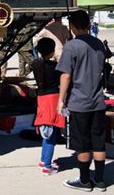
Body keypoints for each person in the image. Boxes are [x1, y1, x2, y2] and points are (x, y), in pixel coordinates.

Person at [57, 10, 107, 192]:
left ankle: (85, 181)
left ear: (72, 26)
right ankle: (100, 181)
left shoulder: (71, 46)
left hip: (79, 103)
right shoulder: (98, 43)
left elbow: (65, 75)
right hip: (98, 101)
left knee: (82, 144)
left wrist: (60, 100)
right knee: (99, 142)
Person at [33, 37, 65, 176]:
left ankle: (43, 160)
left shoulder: (36, 64)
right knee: (50, 136)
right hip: (52, 100)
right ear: (52, 51)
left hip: (41, 99)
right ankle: (46, 166)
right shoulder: (54, 67)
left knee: (46, 132)